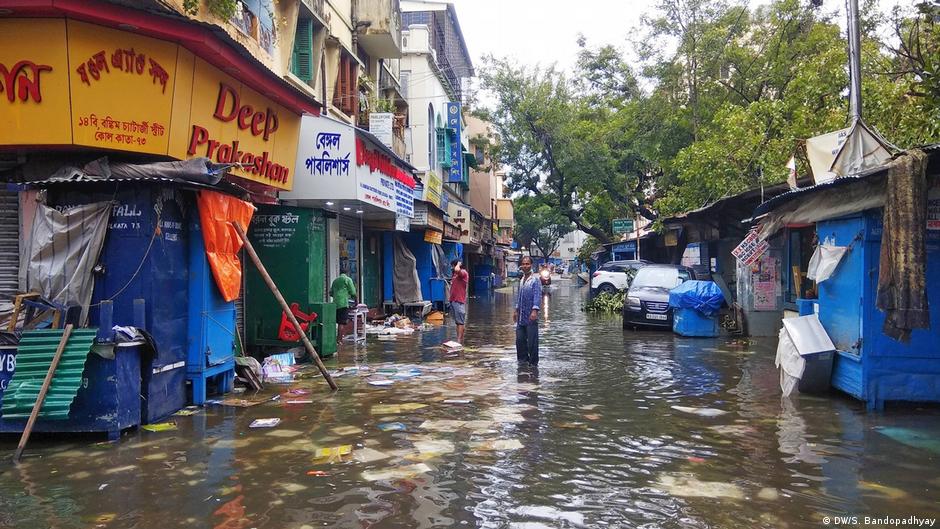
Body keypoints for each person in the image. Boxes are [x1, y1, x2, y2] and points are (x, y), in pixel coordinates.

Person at [513, 255, 542, 365]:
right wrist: (516, 310)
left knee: (532, 343)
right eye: (523, 264)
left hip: (531, 316)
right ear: (521, 265)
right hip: (521, 316)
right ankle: (522, 365)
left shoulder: (535, 280)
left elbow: (537, 295)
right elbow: (519, 296)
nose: (525, 266)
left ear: (531, 265)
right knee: (519, 341)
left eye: (527, 264)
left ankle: (534, 366)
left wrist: (535, 310)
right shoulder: (522, 279)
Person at [330, 263, 357, 343]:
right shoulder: (347, 279)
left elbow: (331, 293)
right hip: (343, 303)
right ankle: (339, 340)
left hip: (335, 303)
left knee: (337, 321)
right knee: (341, 323)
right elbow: (353, 292)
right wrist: (356, 301)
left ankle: (336, 339)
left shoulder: (335, 281)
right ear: (347, 273)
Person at [450, 259, 469, 344]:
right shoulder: (455, 275)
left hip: (459, 301)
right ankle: (459, 340)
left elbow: (457, 270)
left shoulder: (463, 273)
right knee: (457, 322)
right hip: (453, 301)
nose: (452, 268)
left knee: (460, 322)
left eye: (453, 266)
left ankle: (459, 340)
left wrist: (458, 264)